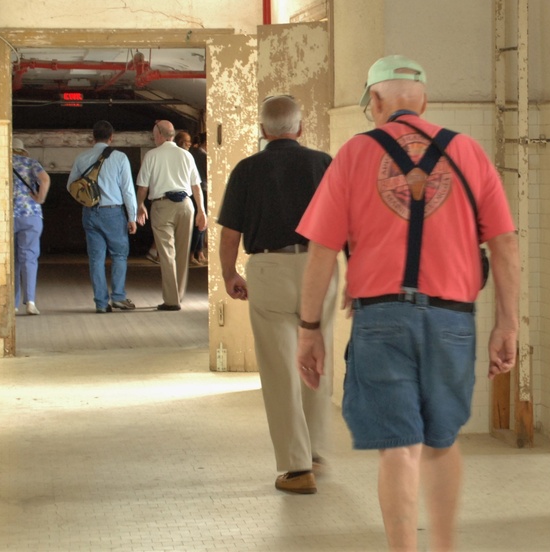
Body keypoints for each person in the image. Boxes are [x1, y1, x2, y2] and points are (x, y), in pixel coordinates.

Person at [296, 55, 520, 550]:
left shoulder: (354, 155)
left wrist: (309, 328)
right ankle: (443, 546)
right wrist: (508, 325)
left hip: (381, 320)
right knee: (440, 444)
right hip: (452, 320)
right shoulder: (468, 152)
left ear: (375, 101)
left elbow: (321, 254)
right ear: (425, 102)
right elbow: (504, 245)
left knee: (398, 449)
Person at [217, 95, 338, 495]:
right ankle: (317, 452)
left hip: (268, 270)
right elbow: (346, 223)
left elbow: (231, 231)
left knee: (279, 367)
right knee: (317, 358)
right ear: (300, 128)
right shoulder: (323, 164)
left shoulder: (247, 169)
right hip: (320, 267)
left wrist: (229, 272)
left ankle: (296, 466)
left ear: (263, 130)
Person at [67, 122, 138, 314]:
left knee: (96, 259)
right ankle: (118, 298)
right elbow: (128, 191)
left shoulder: (82, 157)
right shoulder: (120, 158)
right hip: (113, 213)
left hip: (90, 213)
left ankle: (100, 303)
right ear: (111, 137)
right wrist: (132, 217)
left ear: (93, 137)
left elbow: (70, 185)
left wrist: (86, 198)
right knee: (119, 255)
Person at [135, 120, 207, 311]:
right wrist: (201, 211)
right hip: (186, 206)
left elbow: (143, 186)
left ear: (159, 134)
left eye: (153, 135)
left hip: (162, 205)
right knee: (183, 253)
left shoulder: (152, 155)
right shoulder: (186, 155)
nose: (153, 138)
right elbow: (196, 186)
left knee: (167, 254)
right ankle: (178, 295)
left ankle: (171, 300)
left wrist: (140, 205)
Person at [11, 138, 50, 315]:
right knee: (29, 258)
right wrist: (40, 199)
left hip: (8, 216)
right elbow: (45, 179)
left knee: (12, 261)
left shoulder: (1, 162)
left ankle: (13, 303)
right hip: (31, 215)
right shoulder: (31, 163)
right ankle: (31, 302)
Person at [189, 133, 208, 264]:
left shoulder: (191, 153)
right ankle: (194, 254)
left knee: (197, 223)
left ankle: (198, 252)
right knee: (201, 223)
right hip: (202, 190)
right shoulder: (204, 156)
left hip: (191, 191)